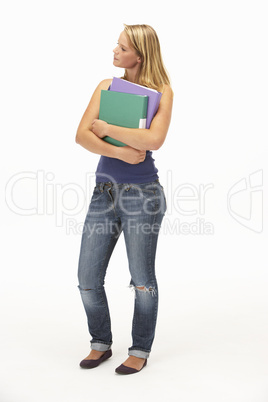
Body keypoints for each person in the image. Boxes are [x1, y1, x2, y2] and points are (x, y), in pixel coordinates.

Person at [75, 24, 173, 375]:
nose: (114, 51)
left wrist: (108, 128)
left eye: (122, 47)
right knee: (87, 278)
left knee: (142, 279)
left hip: (143, 196)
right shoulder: (106, 87)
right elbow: (81, 136)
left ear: (139, 55)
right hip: (104, 194)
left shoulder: (162, 91)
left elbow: (154, 140)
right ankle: (100, 343)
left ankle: (140, 349)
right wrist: (119, 149)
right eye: (116, 45)